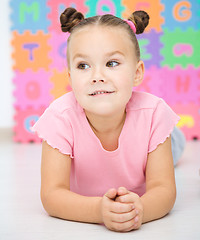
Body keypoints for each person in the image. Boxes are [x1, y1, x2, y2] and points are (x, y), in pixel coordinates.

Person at [32, 7, 185, 232]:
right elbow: (51, 195)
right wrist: (99, 210)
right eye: (83, 66)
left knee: (175, 148)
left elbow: (164, 189)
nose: (97, 77)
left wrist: (139, 209)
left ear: (137, 73)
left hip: (152, 138)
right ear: (70, 77)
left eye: (112, 63)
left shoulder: (154, 115)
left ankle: (176, 139)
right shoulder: (59, 118)